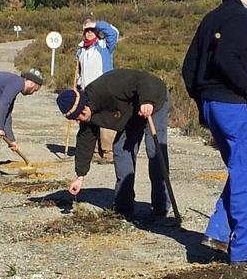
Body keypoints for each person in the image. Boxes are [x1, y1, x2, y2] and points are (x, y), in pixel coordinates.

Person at [181, 0, 247, 265]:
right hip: (233, 107)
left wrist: (203, 103)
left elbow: (189, 68)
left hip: (213, 106)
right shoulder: (240, 18)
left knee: (240, 170)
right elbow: (227, 59)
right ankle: (244, 250)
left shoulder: (212, 17)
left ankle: (220, 233)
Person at [57, 68, 170, 219]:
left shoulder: (108, 87)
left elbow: (142, 79)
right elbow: (85, 142)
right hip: (130, 113)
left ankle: (161, 207)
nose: (79, 121)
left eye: (79, 116)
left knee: (154, 150)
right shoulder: (87, 116)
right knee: (121, 150)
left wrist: (147, 101)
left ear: (84, 107)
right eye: (75, 119)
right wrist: (80, 176)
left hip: (153, 98)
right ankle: (123, 206)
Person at [75, 19, 119, 162]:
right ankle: (94, 152)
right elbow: (79, 72)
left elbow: (113, 33)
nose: (88, 33)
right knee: (90, 120)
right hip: (87, 91)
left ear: (96, 32)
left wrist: (96, 24)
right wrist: (77, 87)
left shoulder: (104, 45)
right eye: (86, 31)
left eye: (91, 30)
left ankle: (108, 152)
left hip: (104, 89)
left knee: (105, 121)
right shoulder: (81, 50)